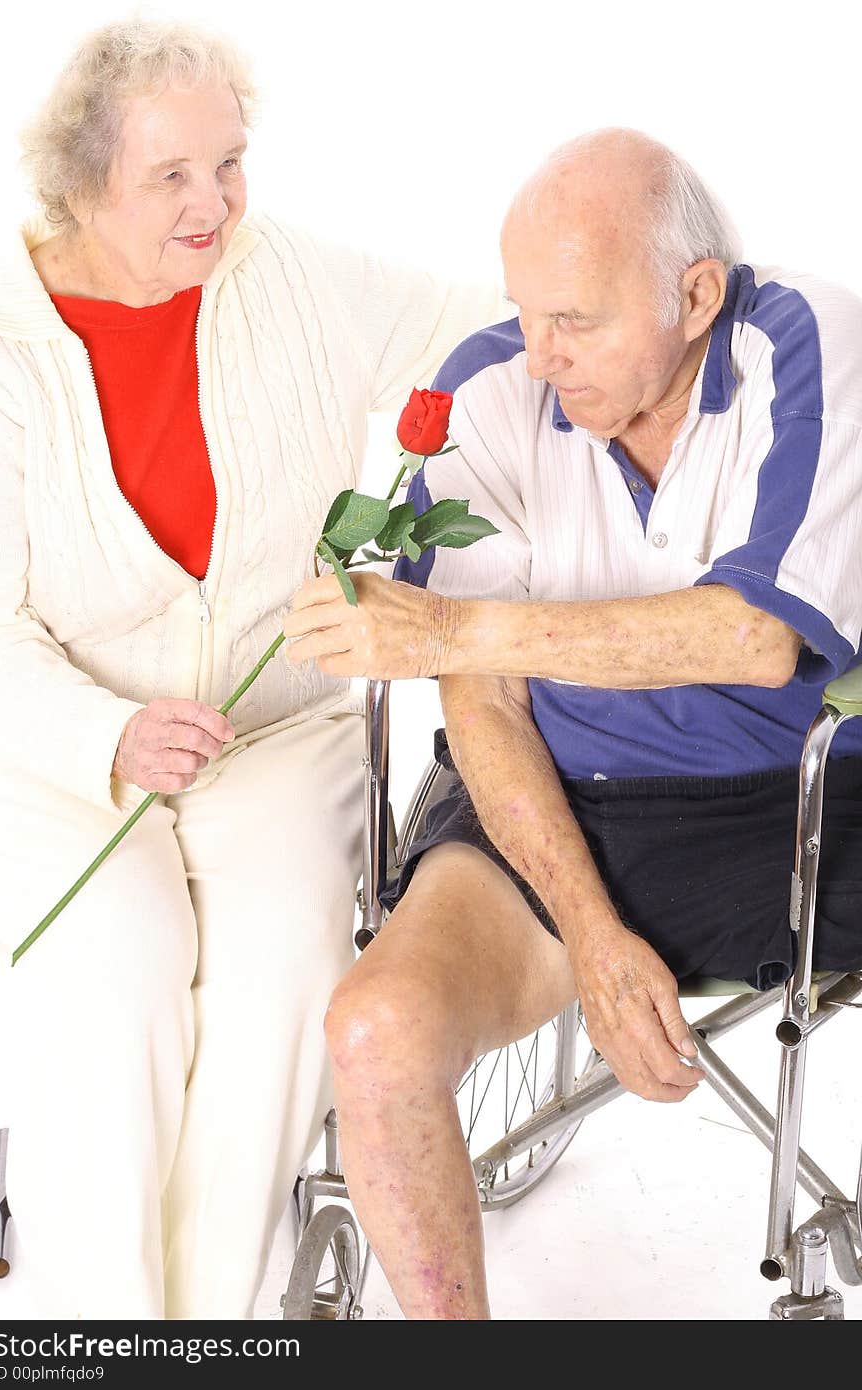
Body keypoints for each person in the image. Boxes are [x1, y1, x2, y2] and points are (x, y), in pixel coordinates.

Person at [285, 128, 862, 1318]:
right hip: (547, 801)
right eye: (524, 312)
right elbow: (483, 704)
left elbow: (752, 640)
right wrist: (591, 933)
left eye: (578, 322)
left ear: (695, 294)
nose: (540, 356)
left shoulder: (807, 343)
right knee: (376, 1028)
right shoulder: (490, 387)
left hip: (796, 805)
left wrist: (452, 633)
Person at [0, 17, 501, 1319]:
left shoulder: (290, 275)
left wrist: (681, 303)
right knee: (118, 960)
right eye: (171, 177)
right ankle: (100, 1326)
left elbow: (484, 333)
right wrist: (105, 735)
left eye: (231, 162)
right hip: (65, 756)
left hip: (279, 729)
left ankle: (217, 1329)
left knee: (281, 969)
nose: (216, 205)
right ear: (80, 184)